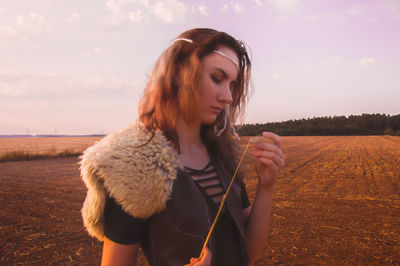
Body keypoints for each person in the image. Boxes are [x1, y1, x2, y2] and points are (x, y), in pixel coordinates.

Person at [80, 28, 285, 266]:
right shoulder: (134, 165)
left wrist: (266, 187)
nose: (228, 96)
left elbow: (249, 253)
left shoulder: (224, 155)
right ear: (178, 73)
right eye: (217, 78)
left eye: (232, 84)